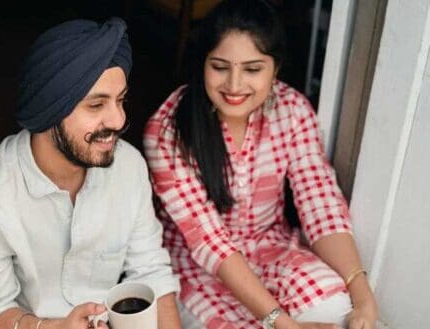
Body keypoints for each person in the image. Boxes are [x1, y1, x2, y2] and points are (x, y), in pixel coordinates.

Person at [143, 1, 378, 328]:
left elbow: (319, 202)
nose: (235, 85)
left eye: (253, 69)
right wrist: (281, 322)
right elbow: (209, 242)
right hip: (196, 269)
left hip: (271, 248)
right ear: (203, 64)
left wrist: (363, 295)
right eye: (220, 67)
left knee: (336, 306)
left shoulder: (292, 109)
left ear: (275, 68)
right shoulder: (168, 130)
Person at [0, 18, 181, 329]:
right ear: (50, 109)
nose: (118, 120)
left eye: (120, 100)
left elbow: (151, 271)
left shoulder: (128, 166)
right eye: (96, 105)